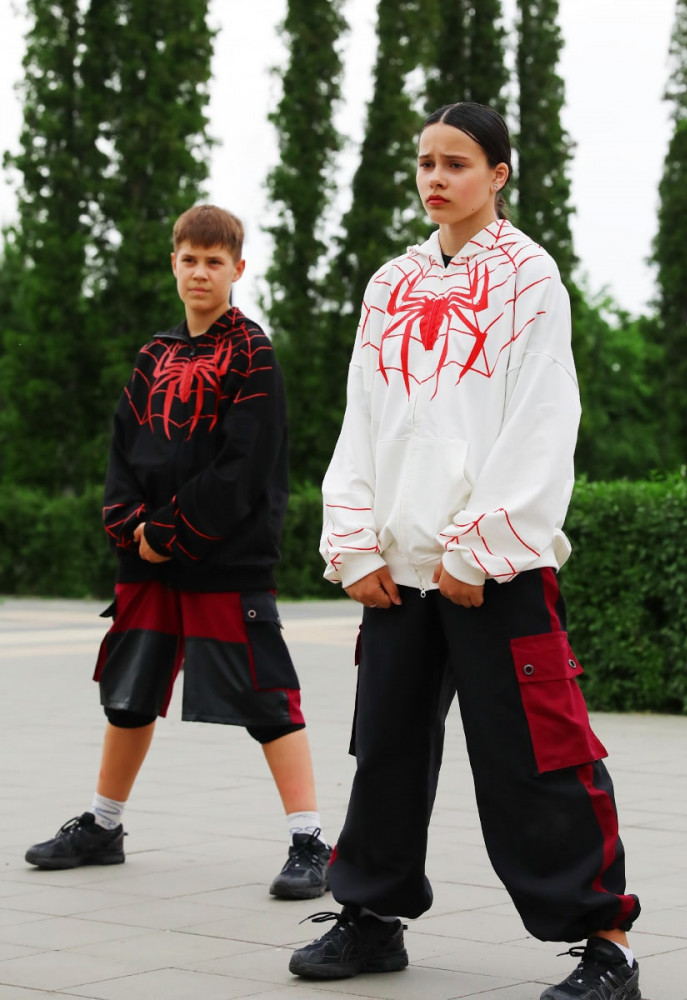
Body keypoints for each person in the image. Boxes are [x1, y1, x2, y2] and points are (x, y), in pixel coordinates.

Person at [287, 104, 642, 999]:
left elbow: (543, 421)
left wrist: (478, 549)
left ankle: (608, 948)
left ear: (498, 175)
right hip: (398, 571)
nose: (436, 178)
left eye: (457, 163)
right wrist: (354, 542)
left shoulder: (531, 277)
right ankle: (371, 917)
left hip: (496, 567)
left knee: (538, 754)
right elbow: (363, 416)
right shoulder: (391, 282)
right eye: (426, 163)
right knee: (387, 748)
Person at [25, 204, 330, 901]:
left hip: (226, 558)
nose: (200, 272)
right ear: (173, 263)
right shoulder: (153, 356)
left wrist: (170, 531)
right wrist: (130, 525)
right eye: (189, 259)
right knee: (129, 693)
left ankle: (311, 841)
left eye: (214, 261)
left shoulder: (253, 352)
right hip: (145, 558)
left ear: (237, 269)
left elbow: (244, 465)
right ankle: (103, 825)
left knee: (267, 697)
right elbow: (122, 449)